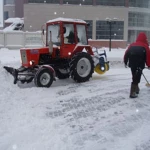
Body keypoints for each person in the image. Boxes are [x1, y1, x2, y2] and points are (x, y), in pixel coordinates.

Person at [124, 32, 150, 98]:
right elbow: (148, 57)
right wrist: (149, 65)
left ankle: (136, 89)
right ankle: (132, 93)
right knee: (137, 77)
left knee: (134, 76)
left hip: (132, 63)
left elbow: (126, 53)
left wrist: (125, 61)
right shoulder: (145, 46)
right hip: (140, 63)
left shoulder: (132, 45)